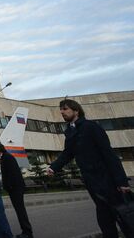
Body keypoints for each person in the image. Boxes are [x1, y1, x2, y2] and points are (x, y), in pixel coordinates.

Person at [46, 99, 132, 238]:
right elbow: (68, 153)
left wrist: (121, 181)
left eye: (65, 109)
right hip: (92, 181)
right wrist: (54, 167)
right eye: (61, 109)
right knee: (104, 218)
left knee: (123, 215)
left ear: (76, 110)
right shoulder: (70, 131)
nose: (62, 112)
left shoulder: (91, 127)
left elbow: (108, 153)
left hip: (107, 180)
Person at [0, 143, 32, 238]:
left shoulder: (7, 157)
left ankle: (27, 233)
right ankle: (26, 231)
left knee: (20, 211)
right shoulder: (5, 157)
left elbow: (13, 173)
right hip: (14, 188)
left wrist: (10, 187)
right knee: (19, 211)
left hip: (16, 189)